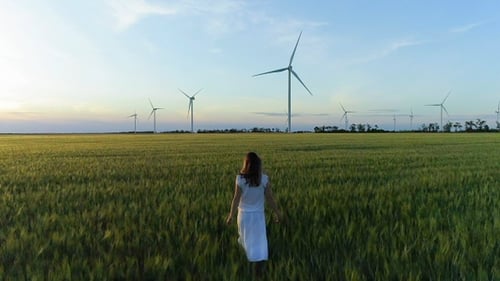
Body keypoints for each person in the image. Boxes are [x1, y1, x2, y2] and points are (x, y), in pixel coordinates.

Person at [226, 152, 282, 279]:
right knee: (259, 241)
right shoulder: (264, 179)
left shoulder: (240, 179)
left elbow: (236, 199)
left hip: (244, 216)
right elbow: (270, 199)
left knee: (245, 240)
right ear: (258, 165)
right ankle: (259, 269)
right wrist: (278, 213)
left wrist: (231, 216)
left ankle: (245, 266)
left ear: (246, 164)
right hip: (258, 216)